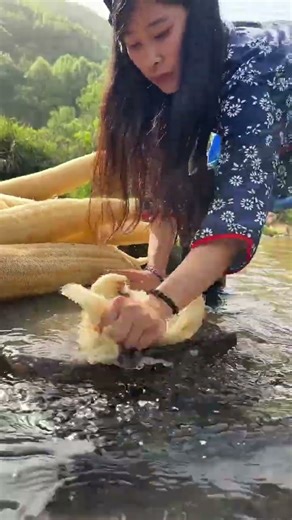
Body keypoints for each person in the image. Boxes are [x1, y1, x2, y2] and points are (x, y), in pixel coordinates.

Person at [94, 0, 291, 351]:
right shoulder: (175, 77)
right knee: (194, 185)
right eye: (134, 44)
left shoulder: (253, 69)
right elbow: (168, 186)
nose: (151, 58)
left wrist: (158, 305)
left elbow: (239, 201)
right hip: (275, 149)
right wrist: (155, 274)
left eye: (162, 33)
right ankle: (201, 296)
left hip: (275, 144)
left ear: (199, 17)